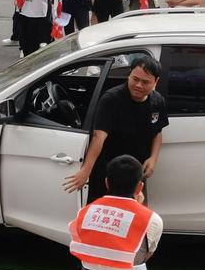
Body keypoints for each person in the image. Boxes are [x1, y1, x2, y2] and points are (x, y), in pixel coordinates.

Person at [63, 56, 168, 203]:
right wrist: (86, 171)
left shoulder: (157, 102)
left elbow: (157, 133)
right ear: (129, 74)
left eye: (145, 82)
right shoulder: (111, 99)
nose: (138, 85)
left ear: (155, 81)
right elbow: (99, 137)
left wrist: (153, 158)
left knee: (135, 217)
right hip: (107, 173)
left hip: (135, 174)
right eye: (135, 79)